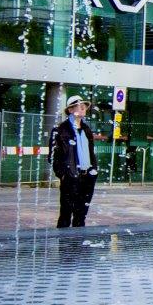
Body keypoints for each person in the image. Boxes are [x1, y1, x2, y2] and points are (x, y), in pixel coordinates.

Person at [50, 94, 98, 228]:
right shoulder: (60, 130)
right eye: (79, 106)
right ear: (70, 110)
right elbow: (53, 156)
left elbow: (91, 151)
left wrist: (93, 170)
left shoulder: (87, 129)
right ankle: (64, 246)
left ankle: (78, 246)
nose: (83, 108)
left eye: (85, 107)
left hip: (87, 176)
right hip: (71, 177)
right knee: (66, 214)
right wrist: (63, 174)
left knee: (81, 215)